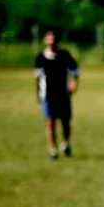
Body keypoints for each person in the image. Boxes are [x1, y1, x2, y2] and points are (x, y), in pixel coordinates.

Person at [34, 30, 80, 160]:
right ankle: (53, 150)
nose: (51, 42)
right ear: (45, 41)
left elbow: (75, 71)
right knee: (50, 122)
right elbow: (37, 78)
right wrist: (37, 93)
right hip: (48, 95)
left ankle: (66, 144)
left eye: (53, 39)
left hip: (63, 94)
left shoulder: (64, 55)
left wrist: (74, 83)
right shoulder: (40, 58)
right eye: (49, 39)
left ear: (57, 41)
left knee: (65, 122)